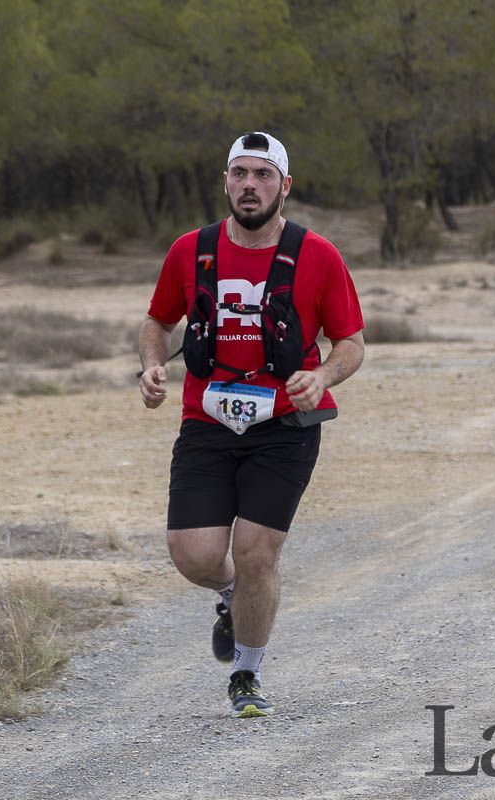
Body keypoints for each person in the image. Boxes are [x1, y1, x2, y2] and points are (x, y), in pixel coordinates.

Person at [138, 132, 365, 718]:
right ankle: (232, 595)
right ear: (225, 183)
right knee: (194, 555)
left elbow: (351, 343)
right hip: (206, 419)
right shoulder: (191, 250)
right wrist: (150, 366)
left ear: (284, 186)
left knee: (258, 553)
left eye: (263, 175)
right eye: (239, 173)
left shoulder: (318, 255)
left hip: (285, 424)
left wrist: (324, 377)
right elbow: (158, 322)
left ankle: (247, 671)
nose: (249, 185)